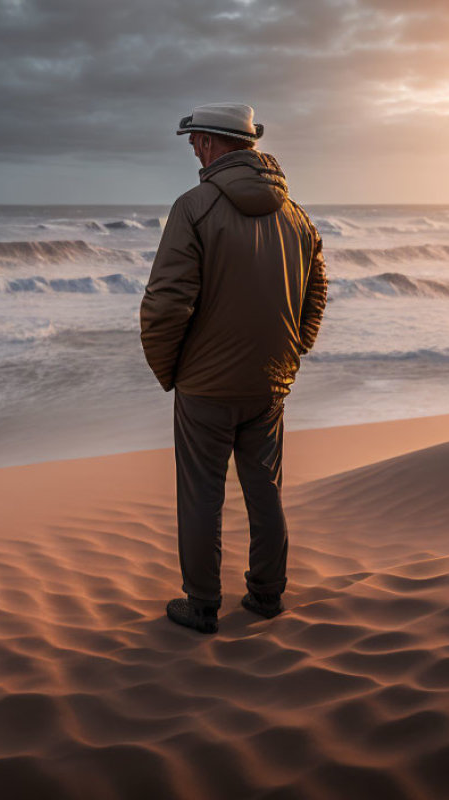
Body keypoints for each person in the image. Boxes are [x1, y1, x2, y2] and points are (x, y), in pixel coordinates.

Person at [140, 103, 328, 634]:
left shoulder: (193, 207)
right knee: (264, 488)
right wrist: (293, 351)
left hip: (205, 385)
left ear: (215, 143)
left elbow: (164, 303)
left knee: (202, 494)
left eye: (196, 141)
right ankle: (267, 596)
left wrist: (170, 369)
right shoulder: (295, 214)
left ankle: (201, 604)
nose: (193, 150)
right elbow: (316, 293)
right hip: (270, 380)